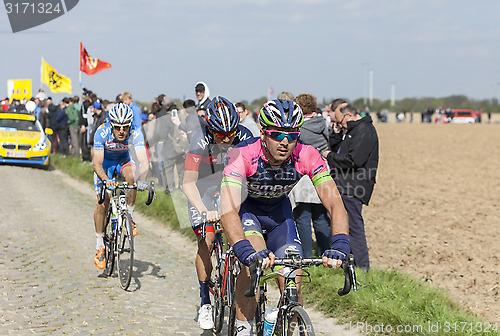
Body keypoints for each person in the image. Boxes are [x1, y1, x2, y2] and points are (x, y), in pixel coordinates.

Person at [220, 99, 350, 336]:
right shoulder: (242, 154)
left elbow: (334, 202)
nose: (285, 142)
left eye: (292, 135)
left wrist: (340, 242)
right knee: (252, 269)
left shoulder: (306, 155)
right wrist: (243, 248)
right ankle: (243, 328)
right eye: (276, 134)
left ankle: (288, 322)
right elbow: (228, 209)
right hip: (248, 213)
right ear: (263, 133)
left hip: (280, 216)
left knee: (293, 278)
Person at [182, 96, 253, 330]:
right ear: (211, 128)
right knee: (208, 240)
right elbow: (188, 183)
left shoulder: (244, 137)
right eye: (220, 134)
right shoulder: (199, 139)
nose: (226, 138)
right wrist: (204, 211)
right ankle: (205, 302)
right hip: (203, 189)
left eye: (230, 133)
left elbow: (253, 177)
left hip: (231, 188)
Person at [322, 103, 379, 271]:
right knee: (344, 227)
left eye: (341, 122)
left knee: (354, 229)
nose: (340, 125)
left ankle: (362, 270)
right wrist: (337, 134)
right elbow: (339, 148)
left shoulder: (364, 131)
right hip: (346, 186)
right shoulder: (353, 131)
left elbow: (354, 160)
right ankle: (349, 267)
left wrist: (330, 156)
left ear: (349, 116)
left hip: (354, 187)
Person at [92, 103, 149, 269]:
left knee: (132, 176)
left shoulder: (135, 133)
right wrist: (106, 180)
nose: (122, 131)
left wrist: (142, 180)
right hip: (105, 165)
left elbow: (143, 161)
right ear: (111, 125)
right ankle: (99, 245)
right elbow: (97, 164)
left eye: (125, 127)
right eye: (117, 127)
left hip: (122, 160)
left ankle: (128, 217)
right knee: (103, 203)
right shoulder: (102, 132)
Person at [289, 93, 331, 258]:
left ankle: (306, 256)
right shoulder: (322, 123)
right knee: (321, 218)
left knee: (303, 219)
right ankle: (325, 254)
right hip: (322, 171)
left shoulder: (299, 127)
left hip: (304, 173)